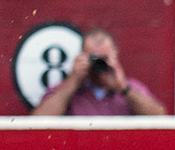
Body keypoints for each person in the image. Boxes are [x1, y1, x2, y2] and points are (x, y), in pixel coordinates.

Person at [32, 27, 166, 115]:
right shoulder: (67, 89)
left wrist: (125, 89)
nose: (99, 64)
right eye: (94, 58)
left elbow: (161, 117)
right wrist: (72, 82)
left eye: (104, 58)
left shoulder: (131, 88)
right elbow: (37, 123)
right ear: (82, 56)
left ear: (115, 56)